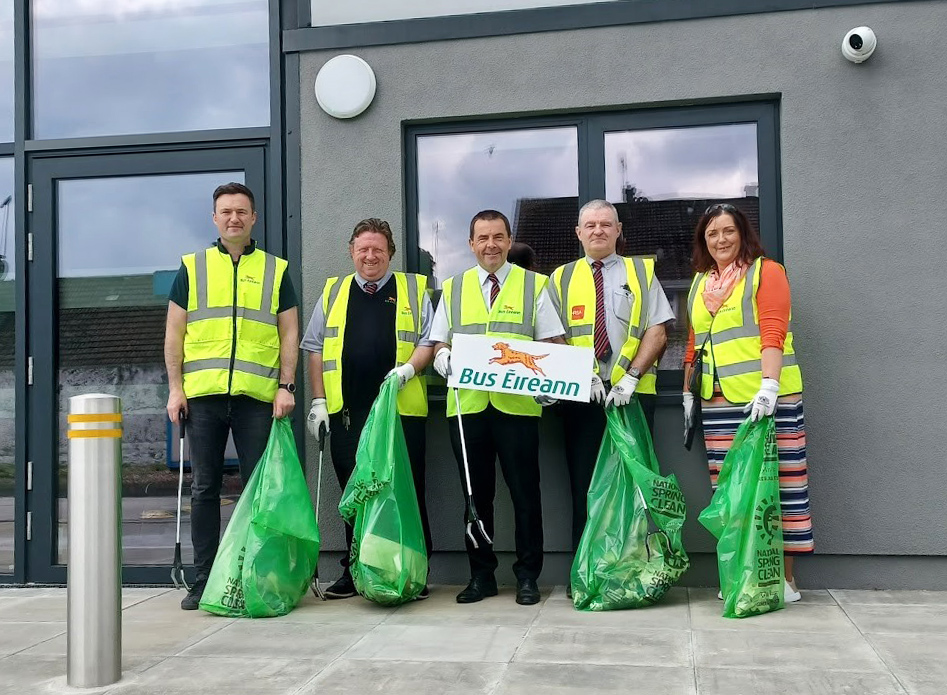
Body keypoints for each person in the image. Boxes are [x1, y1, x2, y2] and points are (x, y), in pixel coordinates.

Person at [165, 182, 299, 610]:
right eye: (226, 211)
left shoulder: (276, 269)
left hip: (257, 399)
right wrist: (175, 389)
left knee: (259, 490)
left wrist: (286, 385)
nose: (234, 218)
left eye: (241, 211)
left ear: (254, 218)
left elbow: (289, 332)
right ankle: (204, 579)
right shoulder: (193, 267)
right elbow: (174, 332)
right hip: (202, 398)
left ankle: (253, 576)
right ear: (215, 218)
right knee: (204, 488)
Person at [430, 209, 565, 606]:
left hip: (518, 408)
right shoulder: (453, 288)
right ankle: (480, 576)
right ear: (471, 244)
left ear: (508, 240)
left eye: (498, 237)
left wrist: (555, 381)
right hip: (467, 408)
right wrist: (441, 358)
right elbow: (439, 341)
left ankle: (527, 577)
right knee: (475, 495)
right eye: (482, 238)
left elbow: (553, 342)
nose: (491, 245)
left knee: (526, 495)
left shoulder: (533, 286)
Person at [683, 203, 813, 602]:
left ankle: (785, 580)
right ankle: (744, 573)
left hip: (766, 400)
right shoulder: (699, 283)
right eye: (712, 234)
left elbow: (773, 332)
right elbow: (694, 343)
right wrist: (688, 391)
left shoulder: (766, 272)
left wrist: (769, 386)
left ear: (742, 234)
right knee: (732, 492)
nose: (720, 240)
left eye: (728, 231)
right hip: (719, 405)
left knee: (781, 488)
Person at [302, 218, 435, 599]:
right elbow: (313, 348)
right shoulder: (333, 292)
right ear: (352, 251)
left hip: (400, 415)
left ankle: (413, 572)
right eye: (363, 249)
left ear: (389, 252)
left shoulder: (412, 289)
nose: (370, 256)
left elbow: (429, 340)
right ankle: (356, 569)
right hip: (347, 415)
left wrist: (410, 369)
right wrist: (318, 401)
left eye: (378, 249)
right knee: (356, 495)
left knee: (406, 493)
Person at [547, 199, 674, 592]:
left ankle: (633, 572)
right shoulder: (561, 278)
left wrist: (632, 377)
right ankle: (585, 575)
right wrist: (582, 376)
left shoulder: (640, 271)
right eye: (590, 225)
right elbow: (553, 334)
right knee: (584, 485)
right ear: (578, 233)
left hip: (632, 398)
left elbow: (658, 330)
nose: (598, 230)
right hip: (581, 398)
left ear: (619, 230)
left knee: (634, 485)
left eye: (606, 224)